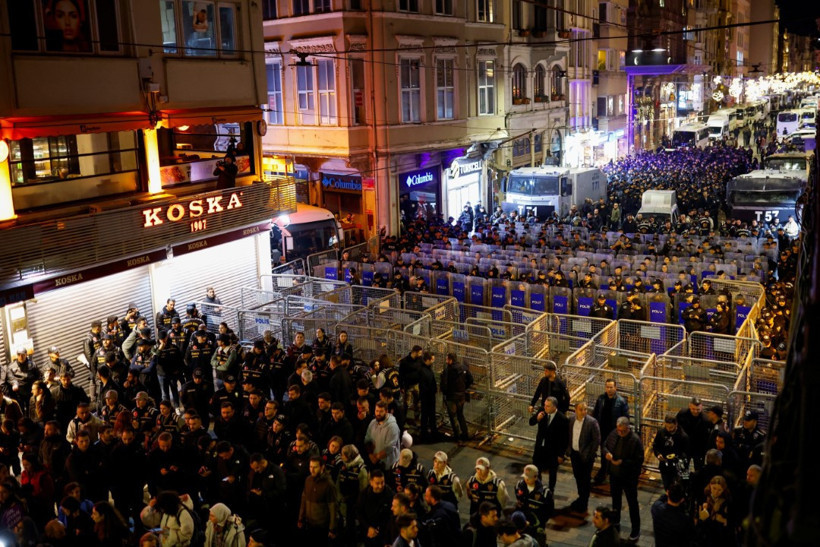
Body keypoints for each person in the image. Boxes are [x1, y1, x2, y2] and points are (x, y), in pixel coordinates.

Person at [603, 417, 643, 542]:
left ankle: (635, 530)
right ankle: (615, 523)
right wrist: (607, 454)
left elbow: (639, 460)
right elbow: (605, 445)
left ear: (628, 428)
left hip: (629, 477)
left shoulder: (635, 440)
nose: (620, 433)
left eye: (623, 431)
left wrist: (623, 462)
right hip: (615, 475)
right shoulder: (614, 433)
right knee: (616, 501)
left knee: (632, 503)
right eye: (618, 430)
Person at [591, 379, 630, 484]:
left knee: (615, 453)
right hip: (602, 430)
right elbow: (595, 413)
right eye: (607, 387)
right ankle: (604, 472)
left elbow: (625, 417)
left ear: (615, 388)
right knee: (604, 452)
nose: (609, 389)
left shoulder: (621, 401)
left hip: (614, 432)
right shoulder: (601, 399)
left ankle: (611, 473)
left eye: (611, 387)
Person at [528, 397, 569, 492]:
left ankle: (551, 490)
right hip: (540, 448)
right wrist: (537, 418)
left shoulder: (562, 419)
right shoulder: (542, 411)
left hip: (552, 451)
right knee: (536, 469)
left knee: (552, 472)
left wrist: (561, 454)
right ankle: (538, 488)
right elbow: (531, 422)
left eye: (548, 406)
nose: (545, 408)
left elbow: (564, 439)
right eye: (545, 405)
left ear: (554, 407)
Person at [566, 401, 600, 512]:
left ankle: (584, 501)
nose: (584, 411)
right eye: (581, 409)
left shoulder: (592, 422)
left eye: (585, 409)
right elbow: (569, 435)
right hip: (574, 454)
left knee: (585, 479)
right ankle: (581, 497)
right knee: (577, 476)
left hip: (586, 456)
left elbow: (596, 439)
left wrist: (590, 454)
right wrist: (569, 450)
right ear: (575, 410)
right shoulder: (571, 420)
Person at [298, 457, 337, 545]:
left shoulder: (328, 484)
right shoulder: (308, 480)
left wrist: (332, 528)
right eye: (310, 467)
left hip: (322, 527)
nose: (312, 470)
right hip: (309, 524)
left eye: (315, 467)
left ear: (322, 467)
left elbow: (333, 507)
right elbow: (304, 499)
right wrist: (300, 518)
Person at [439, 353, 473, 443]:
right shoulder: (464, 368)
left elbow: (444, 385)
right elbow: (471, 379)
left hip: (452, 397)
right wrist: (464, 387)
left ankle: (457, 436)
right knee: (460, 415)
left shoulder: (447, 371)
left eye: (447, 359)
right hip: (461, 396)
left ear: (450, 360)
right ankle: (465, 434)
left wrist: (446, 393)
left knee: (453, 417)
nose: (446, 361)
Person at [652, 415, 690, 489]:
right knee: (667, 486)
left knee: (680, 487)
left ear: (676, 424)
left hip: (678, 466)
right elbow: (655, 445)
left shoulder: (683, 436)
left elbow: (687, 453)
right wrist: (658, 454)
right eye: (667, 427)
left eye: (671, 427)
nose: (668, 429)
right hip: (665, 465)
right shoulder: (661, 432)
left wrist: (678, 459)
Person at [696, 475, 734, 546]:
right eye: (714, 488)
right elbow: (697, 523)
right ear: (710, 485)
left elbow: (732, 522)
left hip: (721, 538)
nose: (716, 492)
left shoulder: (726, 501)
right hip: (706, 537)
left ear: (724, 490)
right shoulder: (703, 498)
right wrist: (701, 518)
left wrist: (724, 520)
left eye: (719, 490)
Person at [650, 483, 692, 547]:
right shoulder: (685, 520)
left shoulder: (656, 508)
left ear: (667, 492)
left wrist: (667, 493)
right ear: (682, 500)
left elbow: (660, 500)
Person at [365, 401, 401, 470]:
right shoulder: (372, 423)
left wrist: (376, 457)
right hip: (375, 461)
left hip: (389, 464)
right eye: (377, 411)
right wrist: (370, 455)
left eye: (381, 411)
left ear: (386, 411)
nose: (378, 413)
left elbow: (390, 447)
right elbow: (367, 439)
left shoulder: (392, 426)